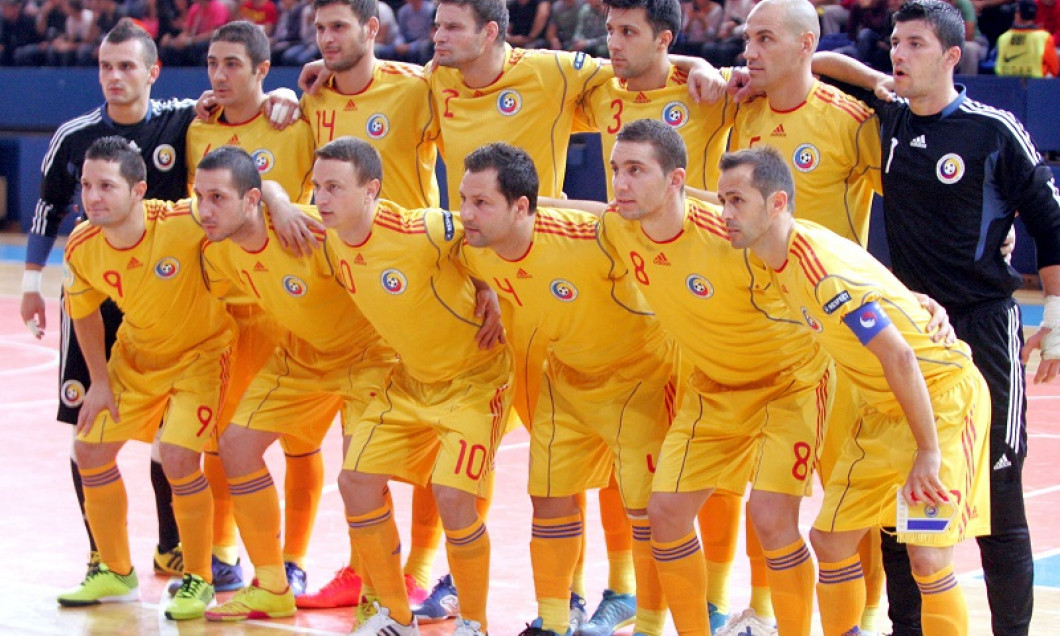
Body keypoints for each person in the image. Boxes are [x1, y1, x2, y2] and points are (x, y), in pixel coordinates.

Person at [814, 2, 1060, 633]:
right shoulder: (892, 117)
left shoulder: (992, 131)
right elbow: (818, 61)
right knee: (906, 499)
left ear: (953, 56)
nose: (899, 53)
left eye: (916, 44)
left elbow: (1051, 225)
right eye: (895, 42)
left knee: (999, 499)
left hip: (981, 329)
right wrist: (877, 81)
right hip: (912, 335)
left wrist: (1054, 317)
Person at [718, 144, 992, 636]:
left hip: (938, 402)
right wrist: (916, 301)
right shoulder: (783, 249)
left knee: (927, 554)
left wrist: (928, 452)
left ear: (777, 203)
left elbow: (899, 356)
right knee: (831, 540)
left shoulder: (820, 272)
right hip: (883, 408)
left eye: (737, 201)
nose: (725, 214)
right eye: (723, 201)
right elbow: (877, 281)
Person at [600, 118, 834, 636]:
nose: (620, 183)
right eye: (617, 169)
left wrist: (911, 299)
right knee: (664, 514)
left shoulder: (732, 234)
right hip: (712, 392)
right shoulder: (620, 227)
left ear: (676, 179)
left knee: (772, 520)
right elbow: (580, 213)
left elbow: (817, 250)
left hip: (788, 386)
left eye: (636, 170)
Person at [290, 136, 510, 636]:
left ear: (371, 190)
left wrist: (489, 284)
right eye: (317, 187)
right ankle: (396, 615)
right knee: (356, 482)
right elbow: (268, 204)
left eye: (335, 188)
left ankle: (474, 623)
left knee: (454, 497)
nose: (322, 199)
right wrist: (282, 200)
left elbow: (495, 228)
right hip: (409, 382)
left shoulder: (421, 228)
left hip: (476, 380)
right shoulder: (327, 236)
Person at [457, 142, 674, 636]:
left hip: (638, 380)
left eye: (481, 202)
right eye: (464, 200)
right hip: (567, 382)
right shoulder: (471, 247)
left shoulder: (590, 237)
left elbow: (625, 216)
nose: (466, 214)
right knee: (550, 499)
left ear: (520, 208)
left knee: (646, 511)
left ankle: (650, 625)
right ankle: (553, 623)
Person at [187, 146, 398, 623]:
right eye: (200, 197)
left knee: (361, 475)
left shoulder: (312, 232)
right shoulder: (219, 253)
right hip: (301, 358)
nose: (206, 209)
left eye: (218, 197)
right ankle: (272, 586)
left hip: (369, 358)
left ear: (251, 201)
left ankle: (380, 597)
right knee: (236, 447)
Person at [729, 1, 887, 630]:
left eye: (765, 39)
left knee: (852, 493)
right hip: (766, 334)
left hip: (841, 338)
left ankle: (866, 617)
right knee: (766, 492)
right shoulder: (739, 114)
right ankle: (763, 611)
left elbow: (916, 195)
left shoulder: (852, 121)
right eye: (747, 39)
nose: (750, 51)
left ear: (805, 45)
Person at [21, 17, 196, 587]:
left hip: (167, 305)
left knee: (171, 439)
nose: (114, 77)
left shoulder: (183, 121)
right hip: (97, 298)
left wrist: (288, 94)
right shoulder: (74, 136)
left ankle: (172, 548)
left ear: (153, 70)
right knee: (88, 428)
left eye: (126, 66)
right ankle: (103, 555)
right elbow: (48, 209)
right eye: (105, 66)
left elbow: (240, 105)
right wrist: (31, 285)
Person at [56, 136, 236, 621]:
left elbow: (242, 207)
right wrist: (99, 381)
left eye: (106, 186)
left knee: (178, 458)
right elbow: (85, 314)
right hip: (135, 358)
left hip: (202, 356)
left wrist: (280, 207)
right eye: (87, 185)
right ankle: (116, 572)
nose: (93, 196)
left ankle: (198, 578)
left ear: (138, 190)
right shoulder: (82, 245)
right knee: (90, 450)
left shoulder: (185, 220)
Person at [184, 18, 320, 597]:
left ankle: (293, 559)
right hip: (228, 311)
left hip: (295, 310)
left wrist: (290, 95)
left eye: (233, 64)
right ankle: (221, 552)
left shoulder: (295, 123)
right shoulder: (198, 130)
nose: (219, 74)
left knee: (301, 443)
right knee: (221, 436)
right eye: (213, 63)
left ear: (264, 70)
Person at [996, 0, 1059, 76]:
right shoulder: (1044, 38)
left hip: (1008, 84)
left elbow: (998, 70)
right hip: (1037, 84)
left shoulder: (1003, 38)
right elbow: (1054, 69)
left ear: (1017, 15)